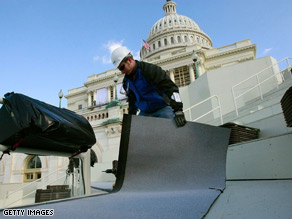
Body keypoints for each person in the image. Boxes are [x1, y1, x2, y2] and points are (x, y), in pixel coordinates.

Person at [111, 46, 186, 127]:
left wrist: (178, 110)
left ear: (129, 60)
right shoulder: (126, 82)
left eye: (122, 67)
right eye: (120, 69)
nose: (122, 72)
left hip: (162, 108)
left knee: (171, 132)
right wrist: (131, 118)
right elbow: (132, 101)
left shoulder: (150, 70)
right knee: (135, 134)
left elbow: (171, 88)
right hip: (145, 113)